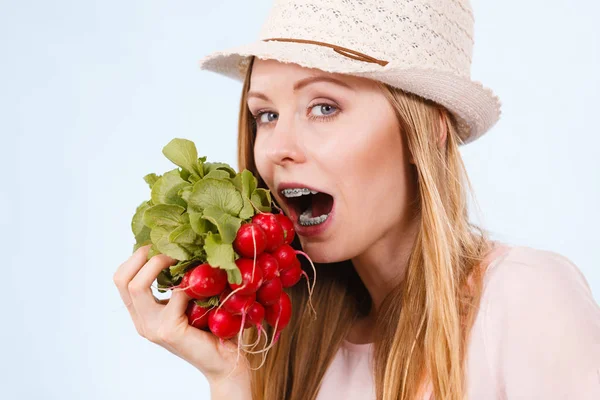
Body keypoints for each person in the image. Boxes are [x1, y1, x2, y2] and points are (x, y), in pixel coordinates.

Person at [113, 1, 600, 399]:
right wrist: (231, 381)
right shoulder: (295, 346)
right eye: (265, 114)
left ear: (426, 133)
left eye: (324, 107)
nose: (279, 148)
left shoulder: (524, 300)